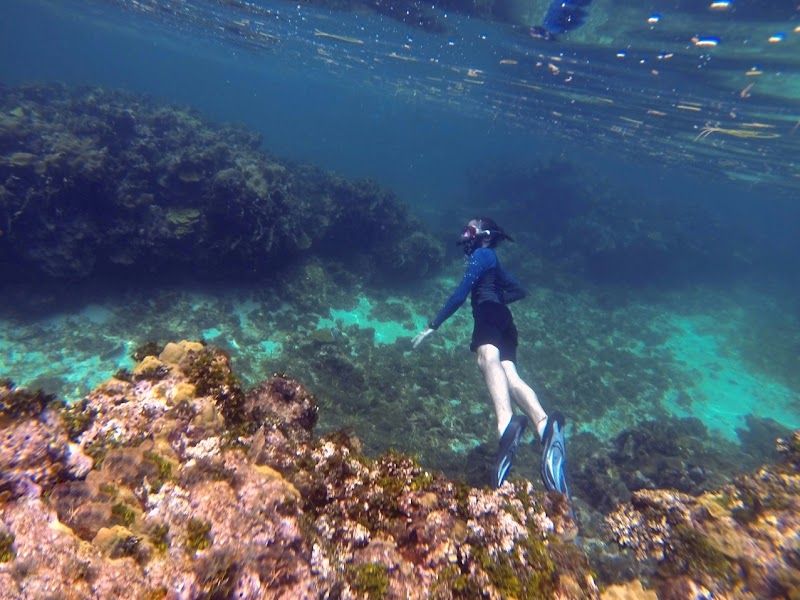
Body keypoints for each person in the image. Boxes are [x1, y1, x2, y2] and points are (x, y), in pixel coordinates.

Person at [412, 218, 568, 494]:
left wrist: (432, 326)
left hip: (488, 314)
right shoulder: (493, 260)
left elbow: (460, 294)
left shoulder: (482, 255)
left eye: (470, 230)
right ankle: (545, 425)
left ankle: (506, 423)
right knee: (510, 375)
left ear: (484, 236)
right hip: (505, 321)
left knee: (487, 359)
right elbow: (519, 289)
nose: (465, 235)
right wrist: (497, 298)